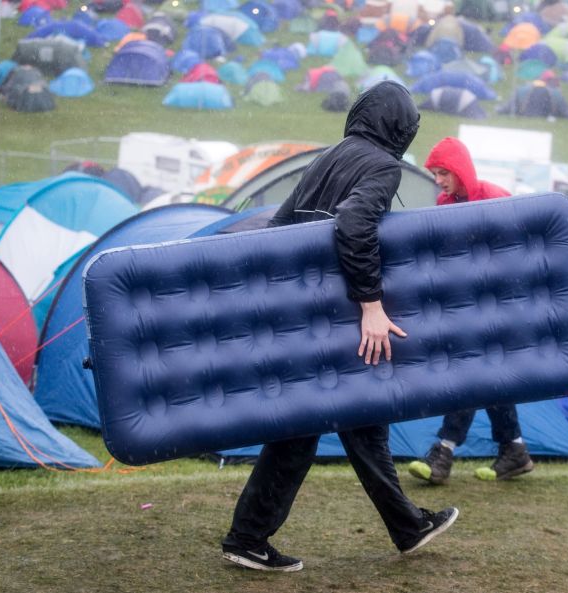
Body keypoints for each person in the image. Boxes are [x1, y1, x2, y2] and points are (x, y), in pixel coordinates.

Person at [221, 81, 458, 573]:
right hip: (338, 321)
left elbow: (279, 229)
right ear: (399, 127)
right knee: (315, 427)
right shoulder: (383, 166)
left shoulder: (330, 156)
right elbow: (353, 224)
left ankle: (406, 526)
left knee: (350, 421)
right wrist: (371, 303)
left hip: (304, 320)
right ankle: (247, 536)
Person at [406, 136, 535, 485]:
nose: (438, 180)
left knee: (471, 374)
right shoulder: (445, 204)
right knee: (489, 375)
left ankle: (444, 451)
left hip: (500, 306)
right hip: (468, 307)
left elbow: (517, 253)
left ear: (459, 170)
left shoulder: (494, 199)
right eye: (434, 173)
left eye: (443, 172)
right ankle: (515, 449)